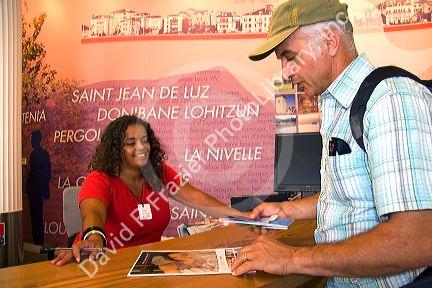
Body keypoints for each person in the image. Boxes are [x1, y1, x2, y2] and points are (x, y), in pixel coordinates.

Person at [231, 0, 432, 287]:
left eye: (290, 57)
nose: (286, 72)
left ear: (330, 42)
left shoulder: (390, 99)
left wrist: (292, 259)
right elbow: (353, 196)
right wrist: (287, 211)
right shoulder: (339, 105)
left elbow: (417, 238)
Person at [52, 115, 244, 265]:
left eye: (145, 140)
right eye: (131, 143)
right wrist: (94, 238)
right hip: (104, 263)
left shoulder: (156, 174)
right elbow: (93, 213)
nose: (141, 147)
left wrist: (243, 218)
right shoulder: (100, 179)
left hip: (147, 263)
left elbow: (197, 198)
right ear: (115, 149)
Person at [26, 130, 52, 245]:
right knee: (36, 217)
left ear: (37, 140)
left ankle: (38, 243)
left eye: (32, 139)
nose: (31, 141)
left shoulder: (38, 154)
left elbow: (45, 173)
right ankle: (38, 242)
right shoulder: (39, 154)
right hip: (36, 191)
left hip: (36, 191)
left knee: (36, 218)